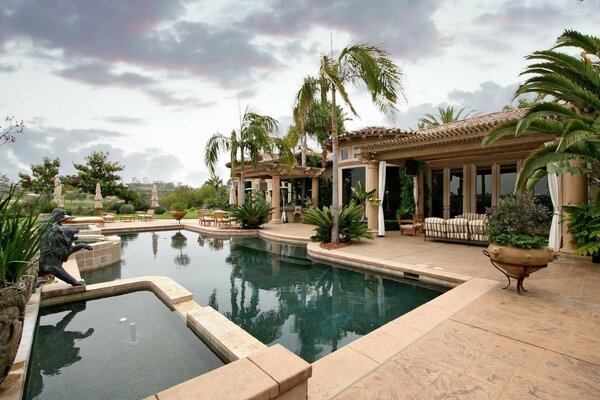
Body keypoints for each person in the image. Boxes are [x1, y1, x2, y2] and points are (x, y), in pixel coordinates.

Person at [39, 209, 92, 286]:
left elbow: (65, 252)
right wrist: (73, 281)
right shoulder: (52, 237)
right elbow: (53, 267)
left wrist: (81, 245)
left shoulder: (56, 238)